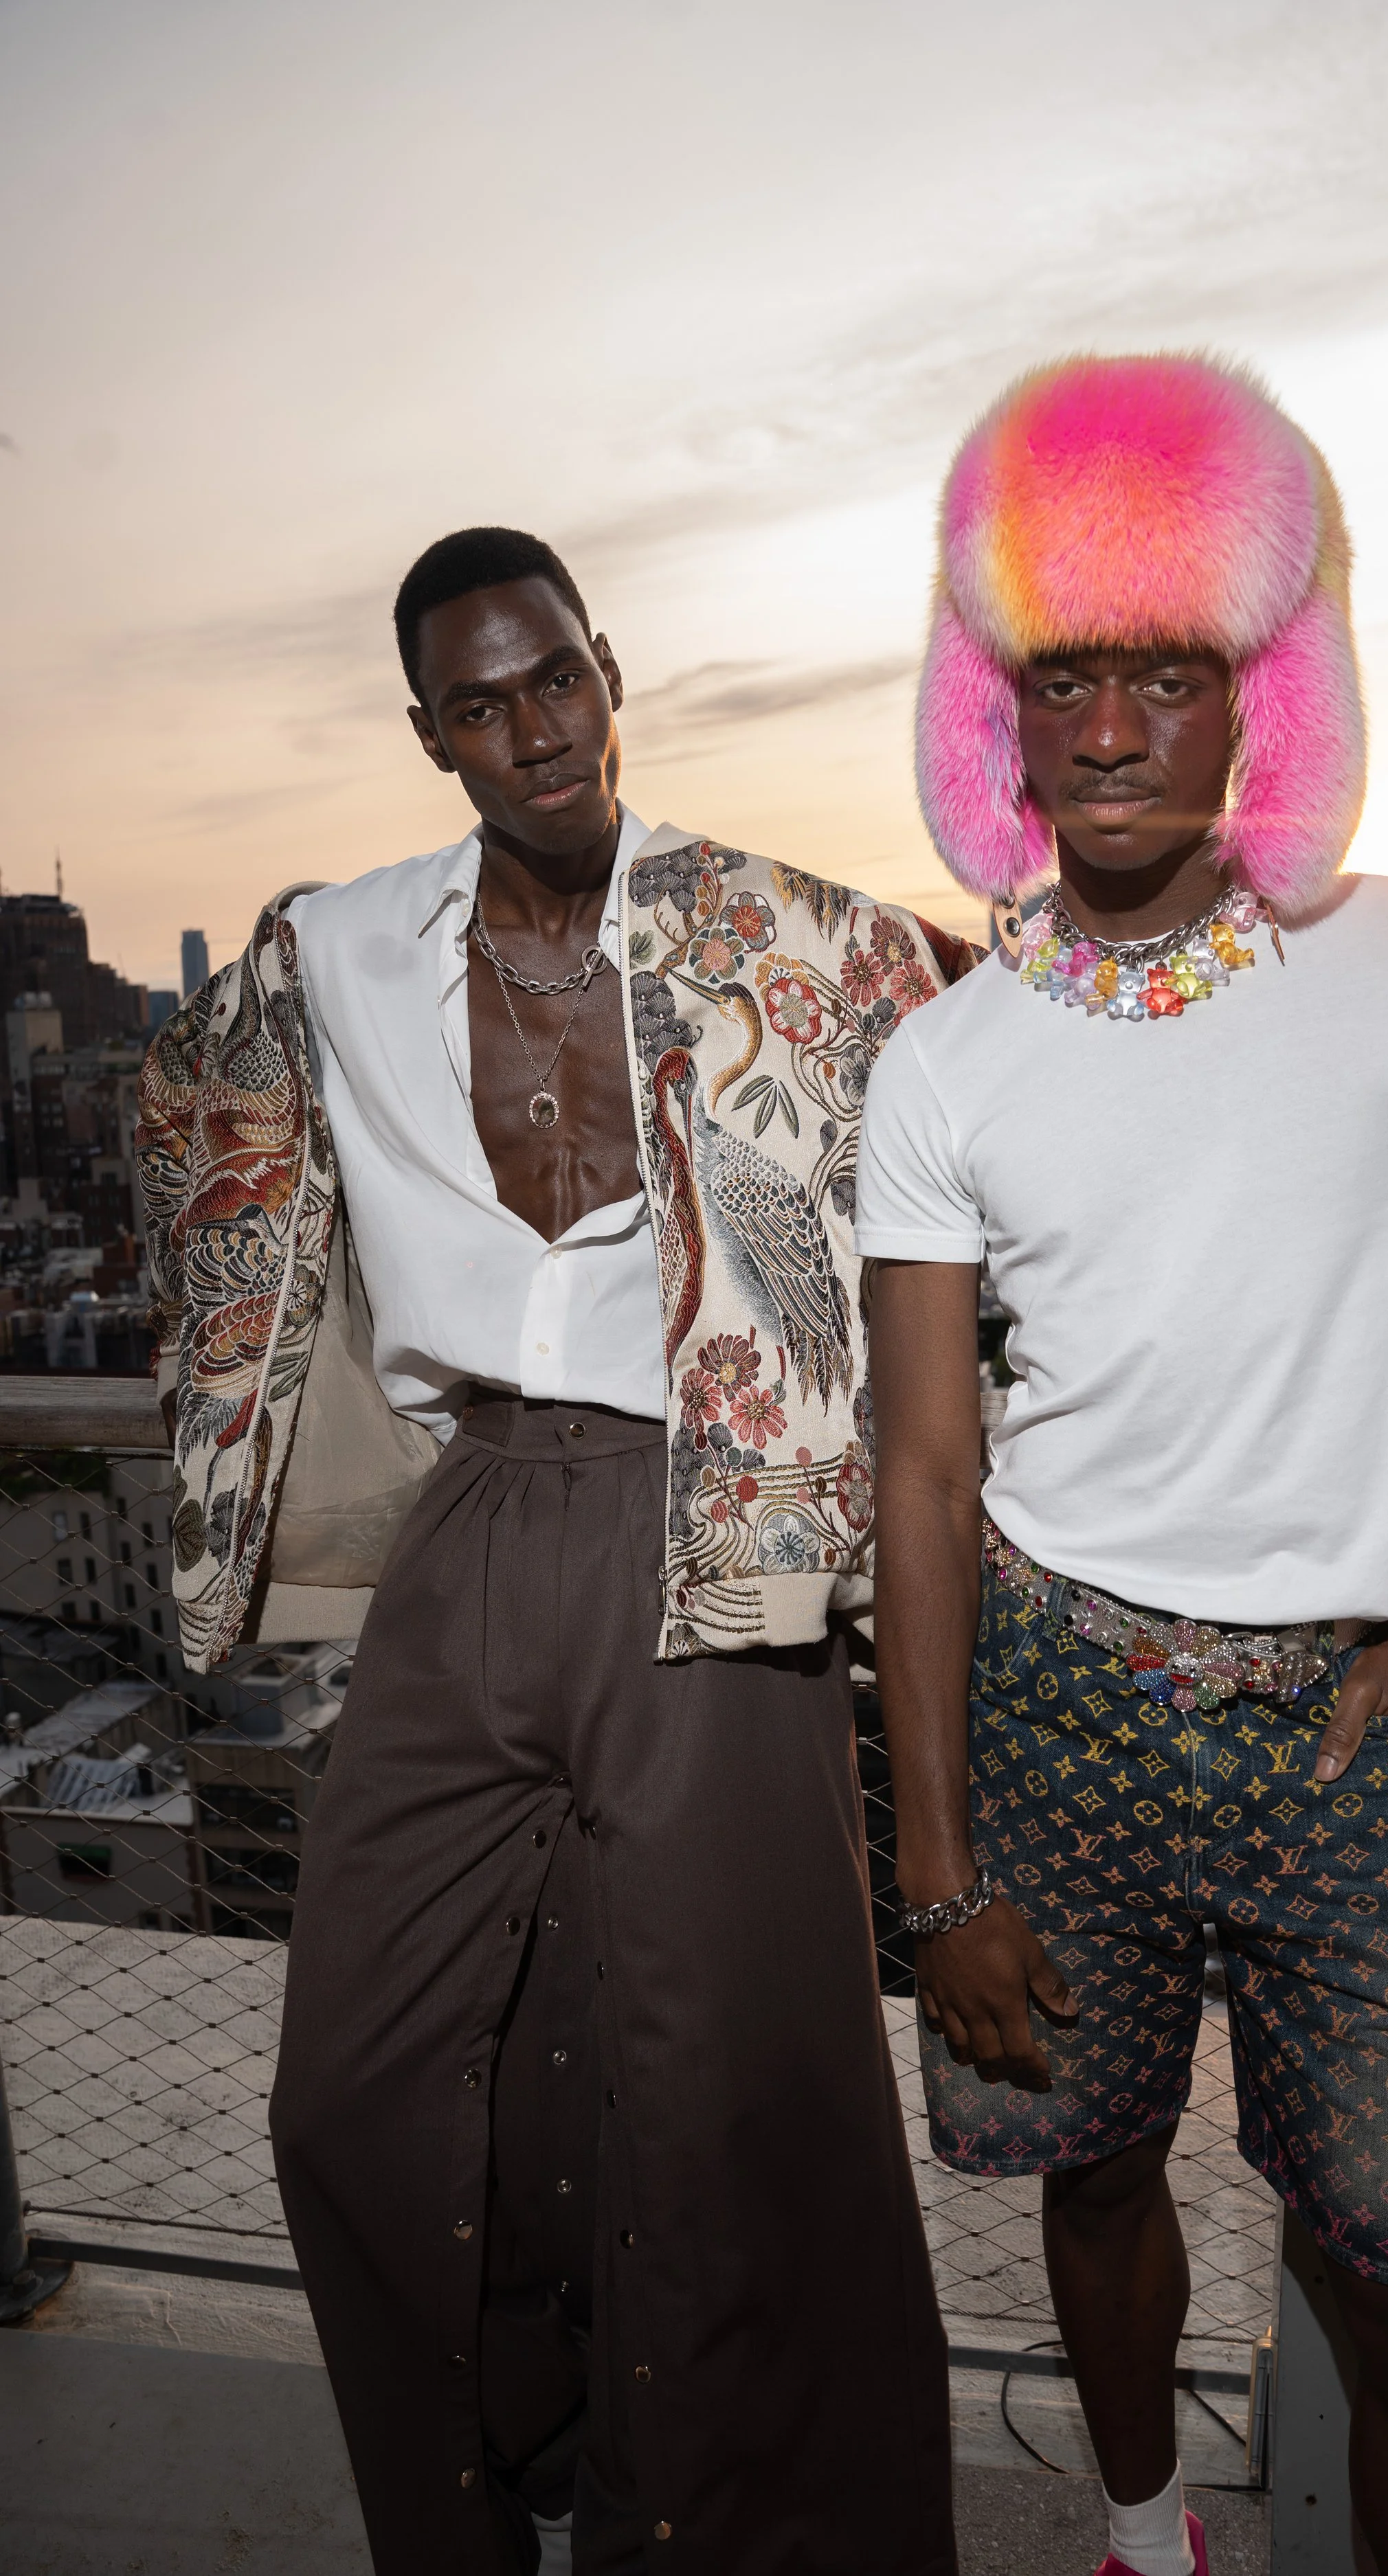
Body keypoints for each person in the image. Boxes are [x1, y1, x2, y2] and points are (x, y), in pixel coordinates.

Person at [135, 526, 970, 2576]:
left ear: (613, 671)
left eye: (557, 680)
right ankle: (487, 2490)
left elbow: (985, 1120)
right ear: (432, 736)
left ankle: (705, 2528)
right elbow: (194, 1138)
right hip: (472, 1517)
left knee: (713, 2103)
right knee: (351, 2088)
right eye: (483, 704)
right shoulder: (330, 947)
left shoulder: (795, 940)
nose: (536, 731)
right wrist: (278, 1429)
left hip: (717, 1525)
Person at [856, 357, 1388, 2576]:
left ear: (1260, 691)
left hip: (1346, 1722)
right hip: (1057, 1704)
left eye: (1162, 679)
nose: (1104, 732)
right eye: (1059, 677)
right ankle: (1153, 2530)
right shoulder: (947, 1058)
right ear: (992, 710)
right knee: (1086, 2176)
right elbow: (917, 1464)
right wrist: (939, 1869)